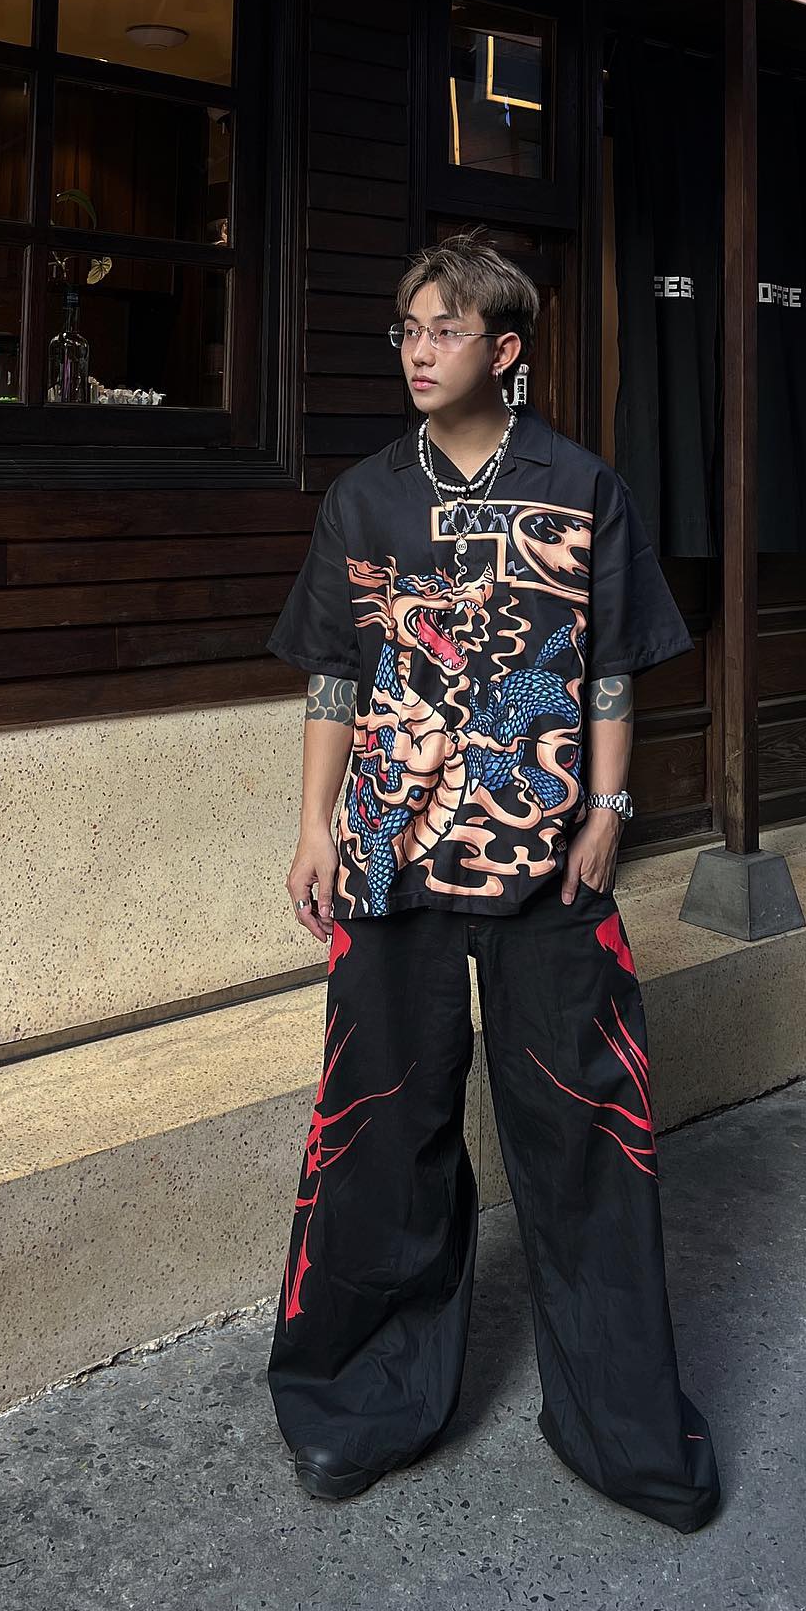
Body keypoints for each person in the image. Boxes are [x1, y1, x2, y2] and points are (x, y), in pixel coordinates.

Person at [262, 229, 720, 1535]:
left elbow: (614, 665)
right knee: (380, 1129)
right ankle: (359, 1404)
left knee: (586, 1130)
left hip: (547, 858)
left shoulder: (582, 487)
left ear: (503, 350)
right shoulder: (364, 500)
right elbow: (335, 677)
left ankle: (622, 1429)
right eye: (407, 330)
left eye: (445, 330)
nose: (418, 351)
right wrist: (313, 827)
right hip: (389, 854)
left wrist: (609, 810)